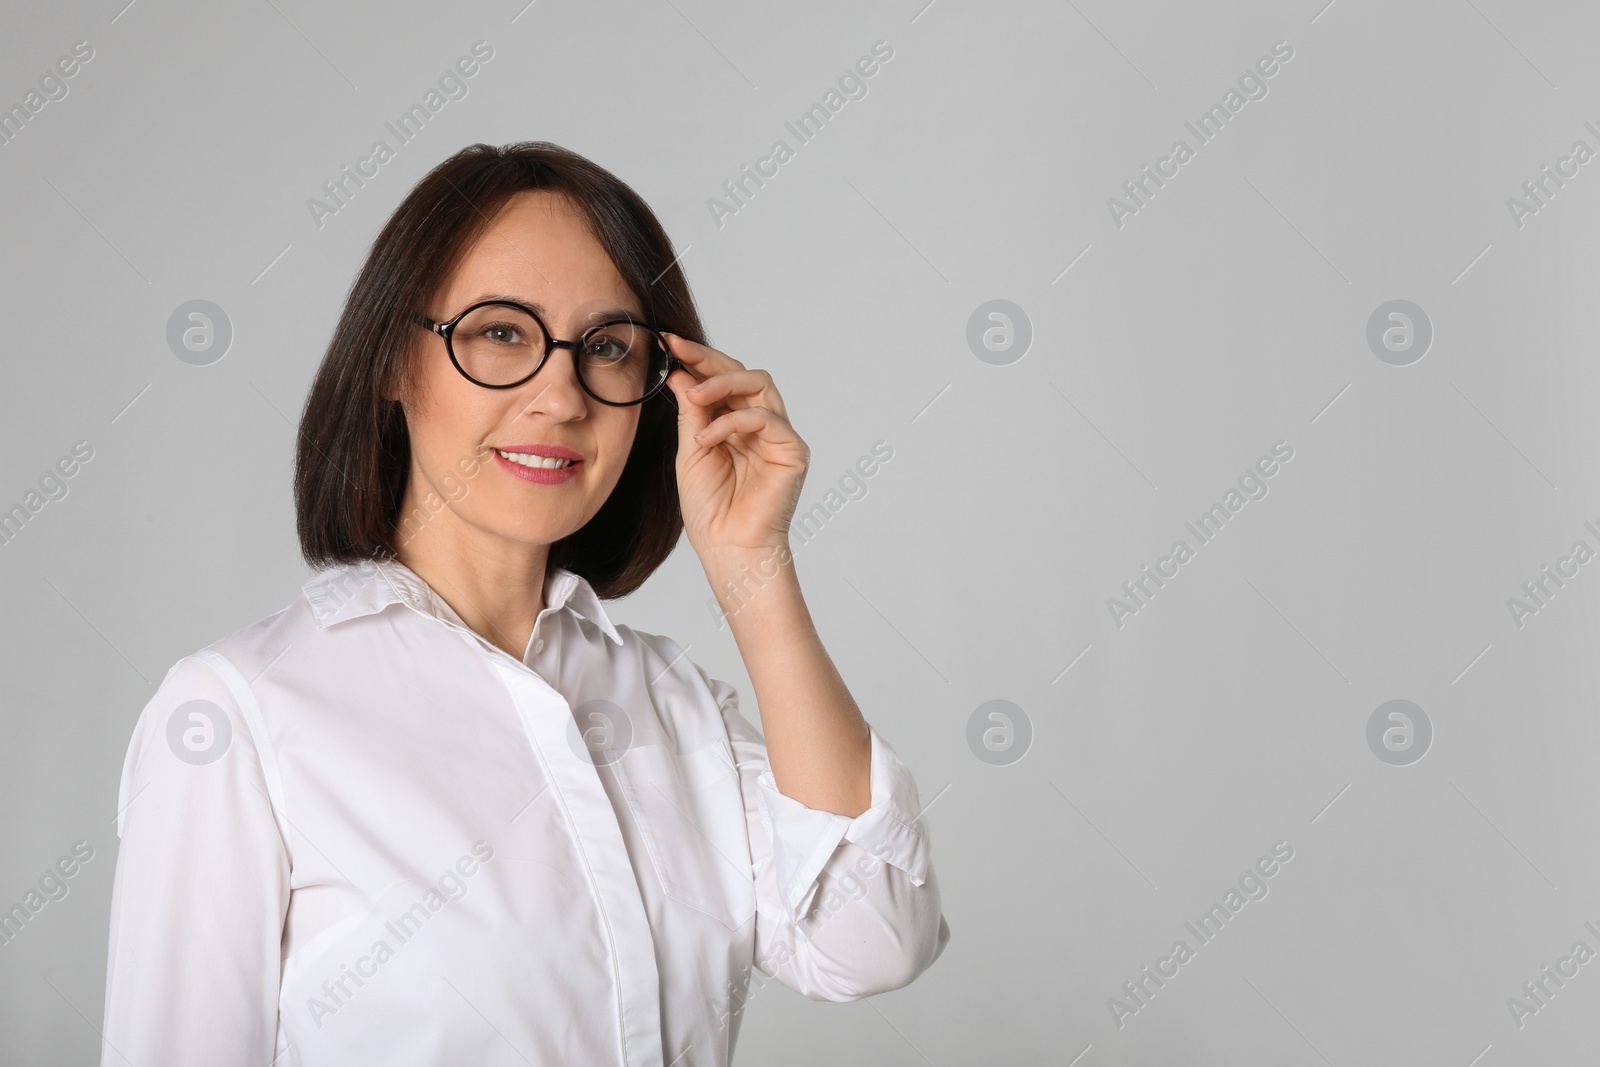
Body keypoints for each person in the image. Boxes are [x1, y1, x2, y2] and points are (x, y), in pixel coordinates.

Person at [99, 141, 949, 1066]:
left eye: (608, 347)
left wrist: (754, 564)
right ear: (394, 361)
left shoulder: (670, 701)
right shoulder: (238, 715)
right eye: (501, 331)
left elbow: (873, 938)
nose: (560, 394)